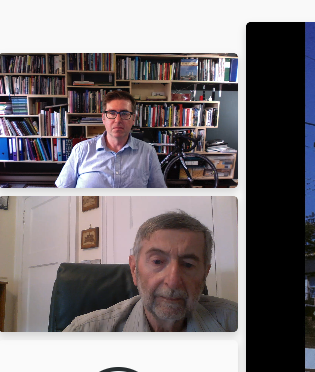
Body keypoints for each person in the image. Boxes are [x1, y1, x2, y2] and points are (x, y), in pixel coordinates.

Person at [63, 210, 236, 331]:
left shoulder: (235, 323)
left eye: (188, 264)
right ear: (134, 269)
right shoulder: (84, 333)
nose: (173, 280)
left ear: (205, 274)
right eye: (157, 261)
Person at [55, 90, 166, 188]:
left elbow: (159, 195)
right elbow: (62, 193)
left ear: (133, 119)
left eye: (124, 113)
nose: (118, 120)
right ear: (103, 118)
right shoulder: (81, 150)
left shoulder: (148, 152)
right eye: (112, 113)